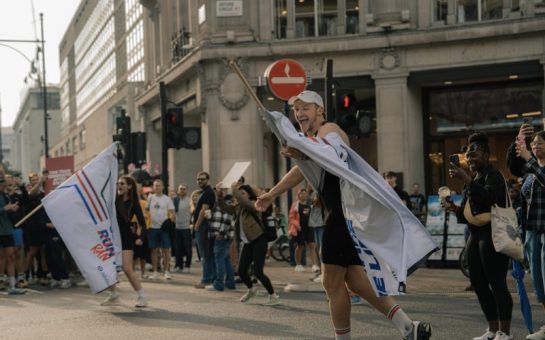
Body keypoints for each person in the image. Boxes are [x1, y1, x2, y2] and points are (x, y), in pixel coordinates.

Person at [255, 90, 431, 340]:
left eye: (306, 108)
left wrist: (304, 151)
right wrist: (272, 193)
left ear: (320, 110)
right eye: (296, 110)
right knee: (356, 281)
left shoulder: (330, 131)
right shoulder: (313, 140)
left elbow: (330, 152)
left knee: (331, 284)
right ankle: (407, 326)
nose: (300, 113)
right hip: (343, 216)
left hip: (342, 216)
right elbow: (302, 171)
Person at [446, 132, 513, 340]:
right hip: (475, 236)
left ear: (485, 155)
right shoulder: (473, 179)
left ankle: (505, 332)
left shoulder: (494, 175)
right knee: (478, 282)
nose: (470, 160)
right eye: (468, 156)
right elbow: (470, 211)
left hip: (493, 233)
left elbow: (491, 198)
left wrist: (466, 179)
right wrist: (455, 209)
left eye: (474, 155)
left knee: (497, 282)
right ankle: (492, 330)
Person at [217, 182, 279, 306]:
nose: (240, 196)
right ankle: (252, 290)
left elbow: (246, 202)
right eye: (239, 194)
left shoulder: (255, 204)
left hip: (259, 239)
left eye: (243, 193)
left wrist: (235, 190)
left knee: (258, 272)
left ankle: (273, 296)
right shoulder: (238, 207)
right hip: (248, 242)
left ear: (249, 195)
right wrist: (219, 195)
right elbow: (225, 208)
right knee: (241, 271)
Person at [514, 130, 545, 340]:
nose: (536, 146)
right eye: (534, 143)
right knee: (538, 279)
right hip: (532, 230)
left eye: (541, 143)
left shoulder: (535, 168)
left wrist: (529, 159)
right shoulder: (531, 170)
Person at [102, 175, 148, 307]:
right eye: (118, 184)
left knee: (127, 268)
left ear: (129, 187)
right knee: (108, 267)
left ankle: (142, 297)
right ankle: (113, 295)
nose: (119, 186)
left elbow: (143, 223)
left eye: (122, 184)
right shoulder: (113, 200)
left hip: (126, 237)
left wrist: (141, 238)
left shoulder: (134, 203)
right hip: (111, 237)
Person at [147, 179, 175, 280]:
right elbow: (146, 211)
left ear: (163, 187)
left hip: (164, 229)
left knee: (166, 250)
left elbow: (172, 212)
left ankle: (166, 271)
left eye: (159, 185)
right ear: (153, 187)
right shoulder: (150, 198)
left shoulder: (167, 199)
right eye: (155, 186)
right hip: (153, 228)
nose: (157, 187)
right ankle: (155, 271)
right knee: (154, 250)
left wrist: (169, 221)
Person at [193, 171, 216, 288]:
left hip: (203, 226)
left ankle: (207, 279)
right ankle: (210, 278)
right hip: (203, 226)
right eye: (198, 179)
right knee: (206, 254)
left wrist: (197, 223)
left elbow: (204, 210)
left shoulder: (208, 192)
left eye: (202, 179)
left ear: (208, 180)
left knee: (205, 254)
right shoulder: (204, 192)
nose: (200, 181)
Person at [289, 188, 319, 273]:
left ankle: (314, 265)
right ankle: (298, 264)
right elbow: (291, 218)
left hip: (310, 227)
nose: (304, 195)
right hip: (300, 228)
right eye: (302, 193)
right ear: (299, 195)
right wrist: (297, 225)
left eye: (305, 193)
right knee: (300, 246)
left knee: (312, 246)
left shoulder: (310, 204)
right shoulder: (295, 205)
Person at [173, 184, 192, 273]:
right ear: (178, 190)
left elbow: (192, 212)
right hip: (177, 227)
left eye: (184, 189)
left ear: (187, 190)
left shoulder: (189, 200)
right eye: (181, 189)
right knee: (178, 248)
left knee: (188, 248)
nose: (182, 191)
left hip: (186, 227)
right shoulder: (175, 200)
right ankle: (178, 265)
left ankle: (187, 266)